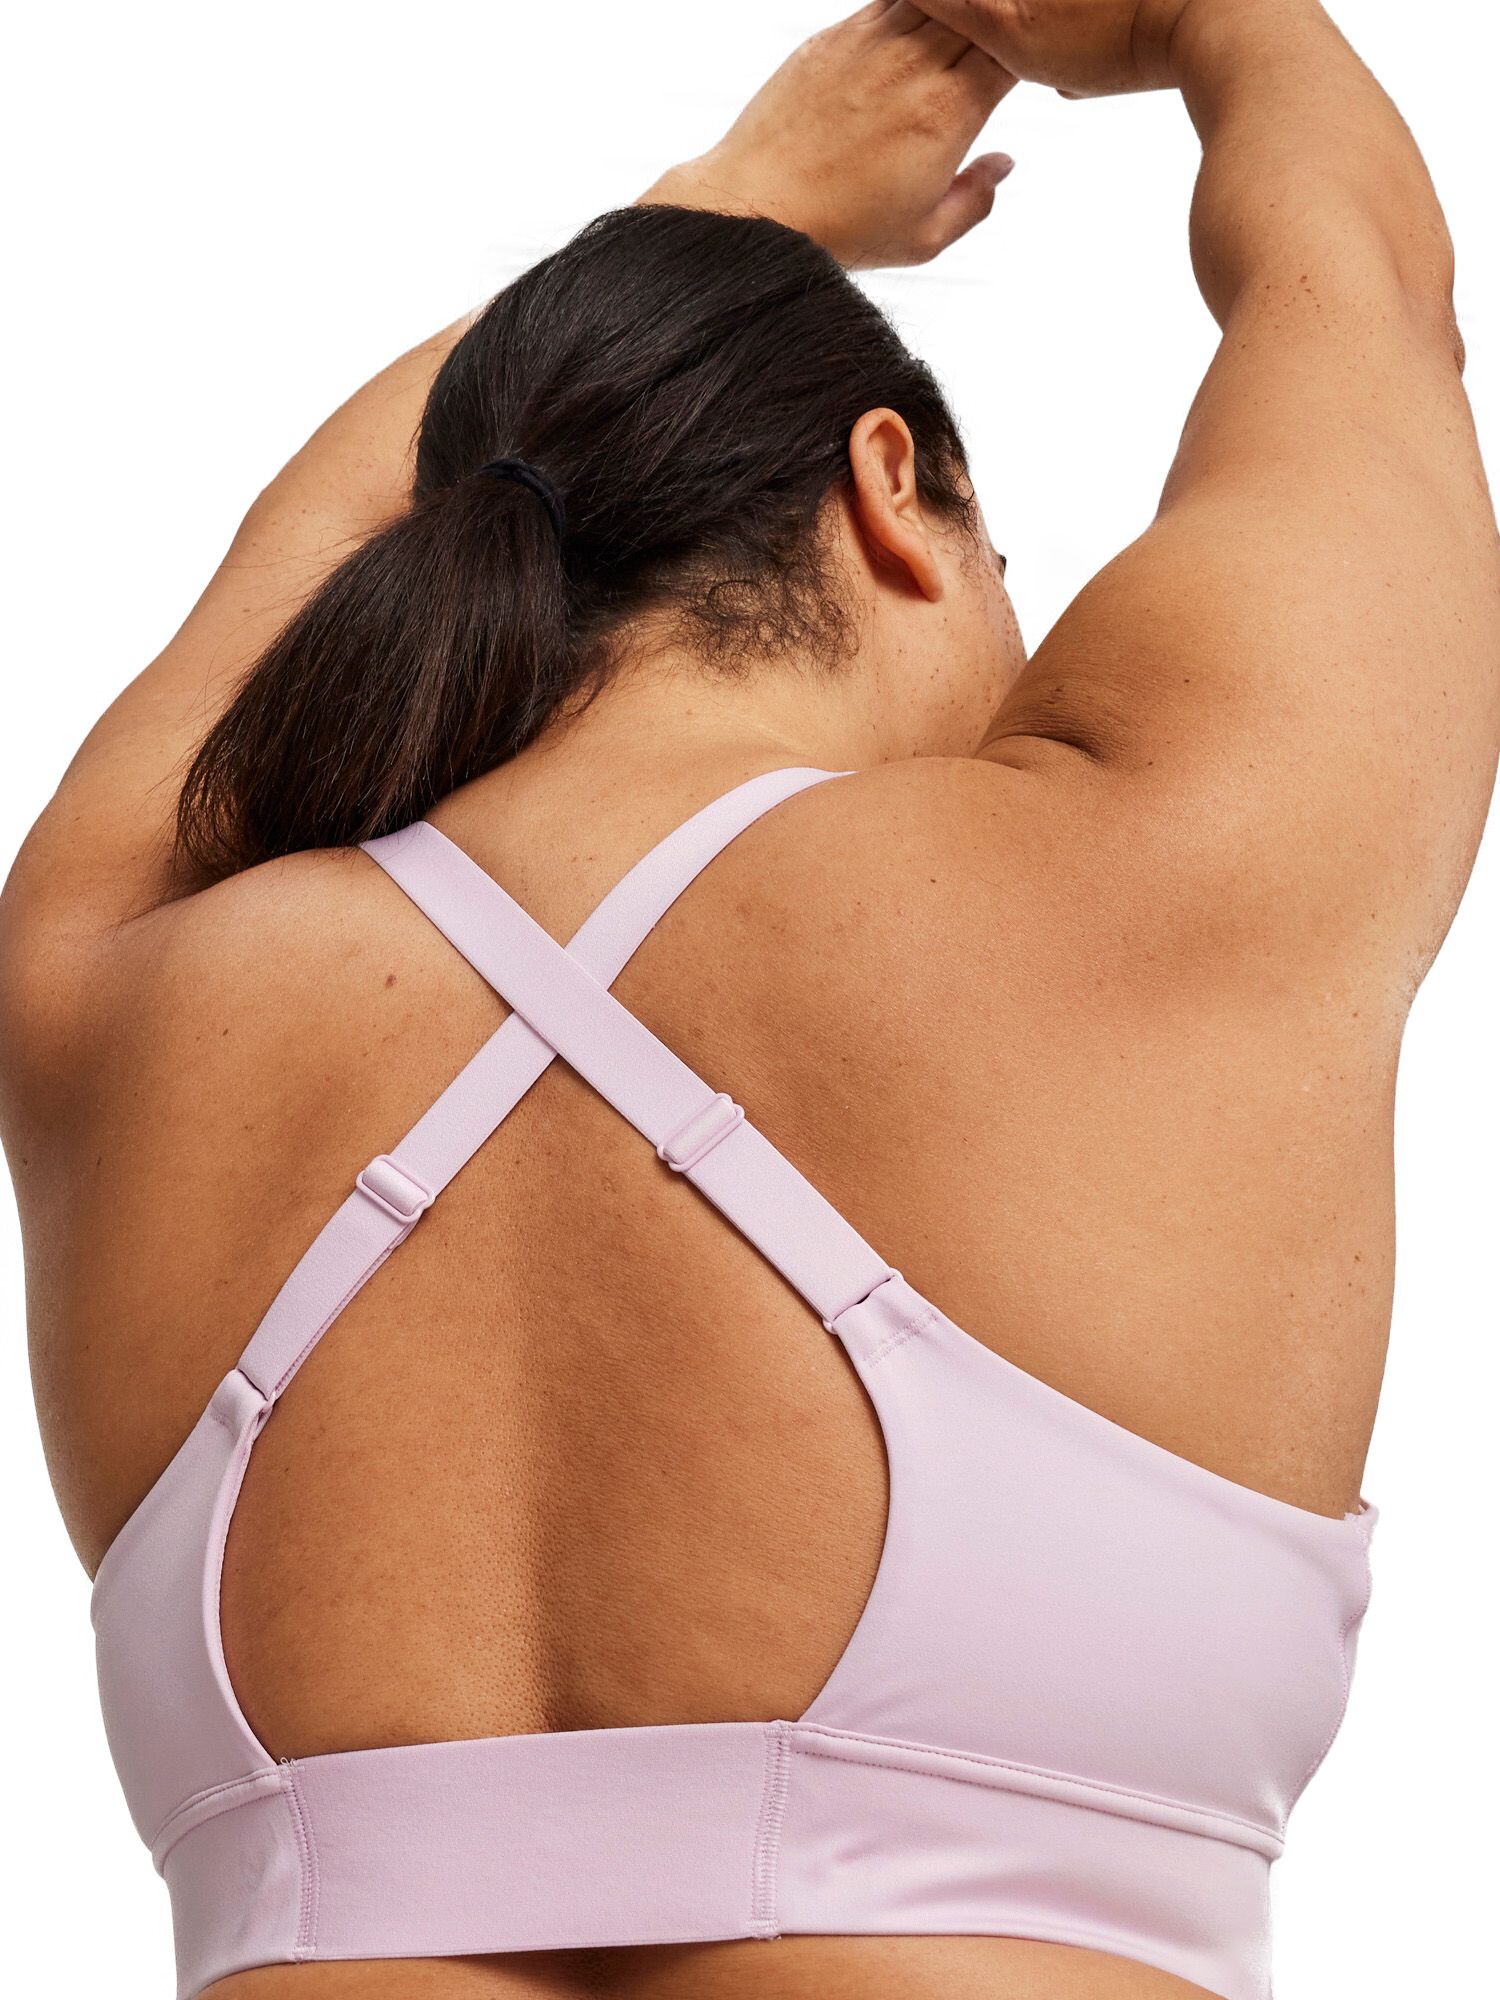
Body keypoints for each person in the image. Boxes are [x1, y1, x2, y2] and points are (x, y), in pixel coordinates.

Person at [2, 2, 1495, 1998]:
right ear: (891, 489)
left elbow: (310, 565)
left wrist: (729, 210)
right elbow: (1366, 308)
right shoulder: (1145, 858)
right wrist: (1209, 17)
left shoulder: (104, 989)